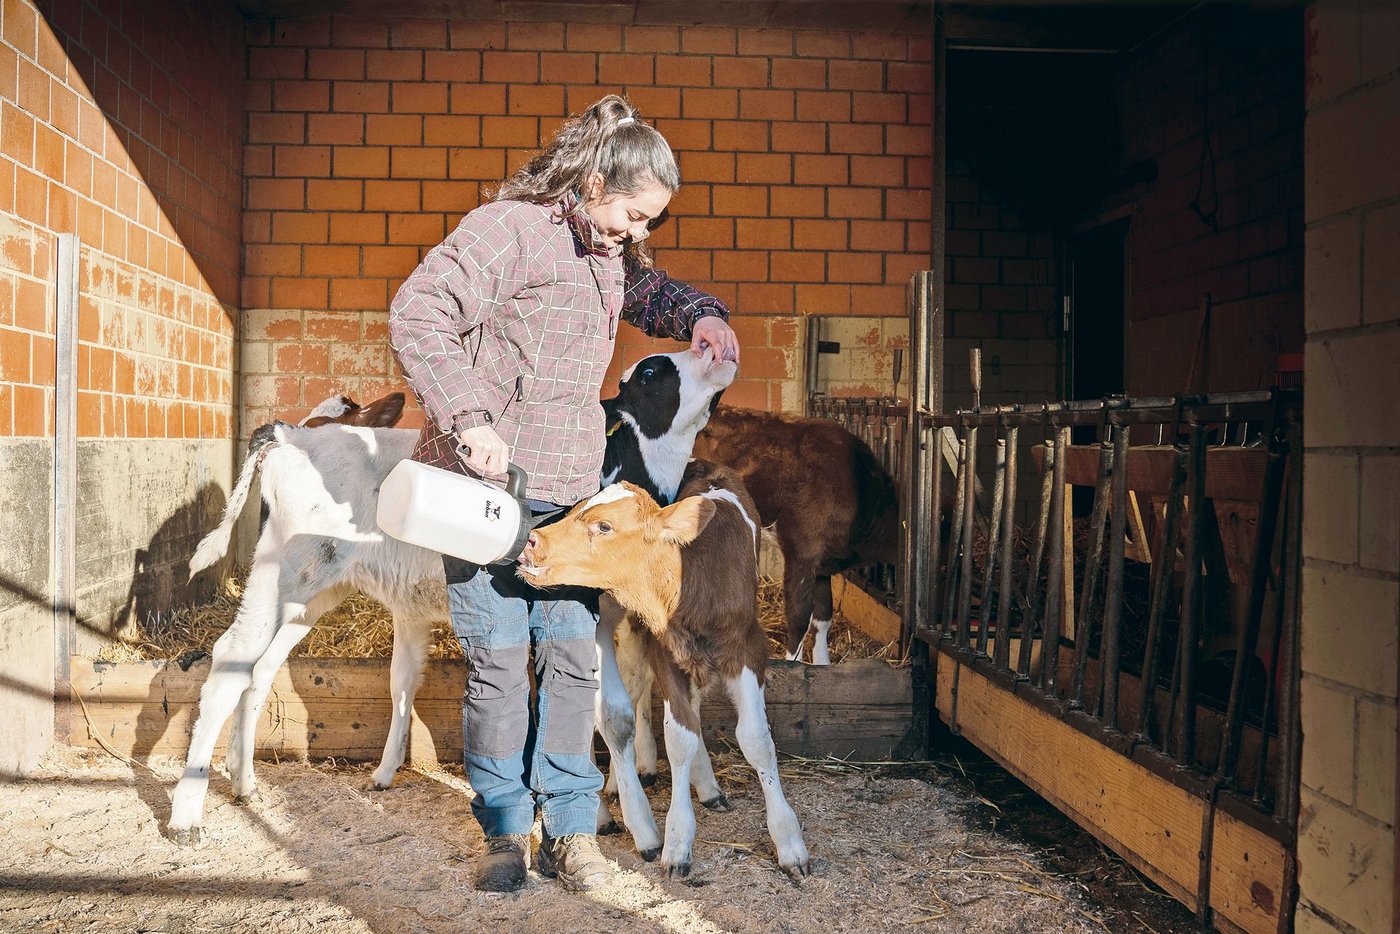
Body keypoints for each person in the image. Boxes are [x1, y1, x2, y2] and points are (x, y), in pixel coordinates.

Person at [387, 94, 740, 893]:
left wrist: (704, 316)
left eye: (651, 222)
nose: (639, 233)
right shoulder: (507, 230)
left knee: (575, 662)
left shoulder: (610, 252)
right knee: (501, 665)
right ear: (593, 178)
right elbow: (419, 309)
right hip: (488, 489)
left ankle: (573, 832)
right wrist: (469, 418)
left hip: (571, 496)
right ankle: (507, 834)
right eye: (633, 213)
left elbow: (647, 293)